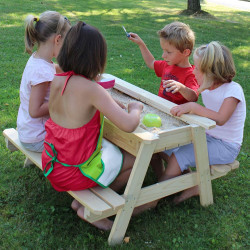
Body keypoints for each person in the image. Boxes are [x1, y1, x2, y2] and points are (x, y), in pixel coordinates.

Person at [41, 22, 143, 230]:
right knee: (135, 158)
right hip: (73, 171)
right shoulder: (92, 90)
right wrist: (136, 109)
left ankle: (83, 199)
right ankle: (94, 209)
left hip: (53, 162)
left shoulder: (58, 77)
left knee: (113, 151)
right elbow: (128, 124)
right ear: (97, 59)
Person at [162, 41, 246, 204]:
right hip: (207, 135)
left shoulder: (233, 91)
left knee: (179, 156)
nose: (193, 71)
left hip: (226, 146)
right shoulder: (207, 86)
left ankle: (157, 195)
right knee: (169, 144)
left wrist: (194, 107)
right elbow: (194, 97)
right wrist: (181, 89)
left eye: (198, 69)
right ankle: (187, 184)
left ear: (212, 73)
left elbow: (221, 119)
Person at [17, 11, 71, 152]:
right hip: (38, 138)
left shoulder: (39, 59)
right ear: (57, 40)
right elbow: (35, 110)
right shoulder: (41, 73)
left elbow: (54, 68)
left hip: (29, 132)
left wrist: (76, 70)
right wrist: (62, 98)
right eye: (66, 44)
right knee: (76, 137)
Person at [128, 21, 199, 105]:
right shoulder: (167, 65)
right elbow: (151, 62)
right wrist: (141, 44)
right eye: (163, 50)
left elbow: (193, 97)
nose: (163, 55)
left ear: (185, 52)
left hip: (176, 115)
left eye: (168, 52)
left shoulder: (192, 74)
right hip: (161, 108)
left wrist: (181, 87)